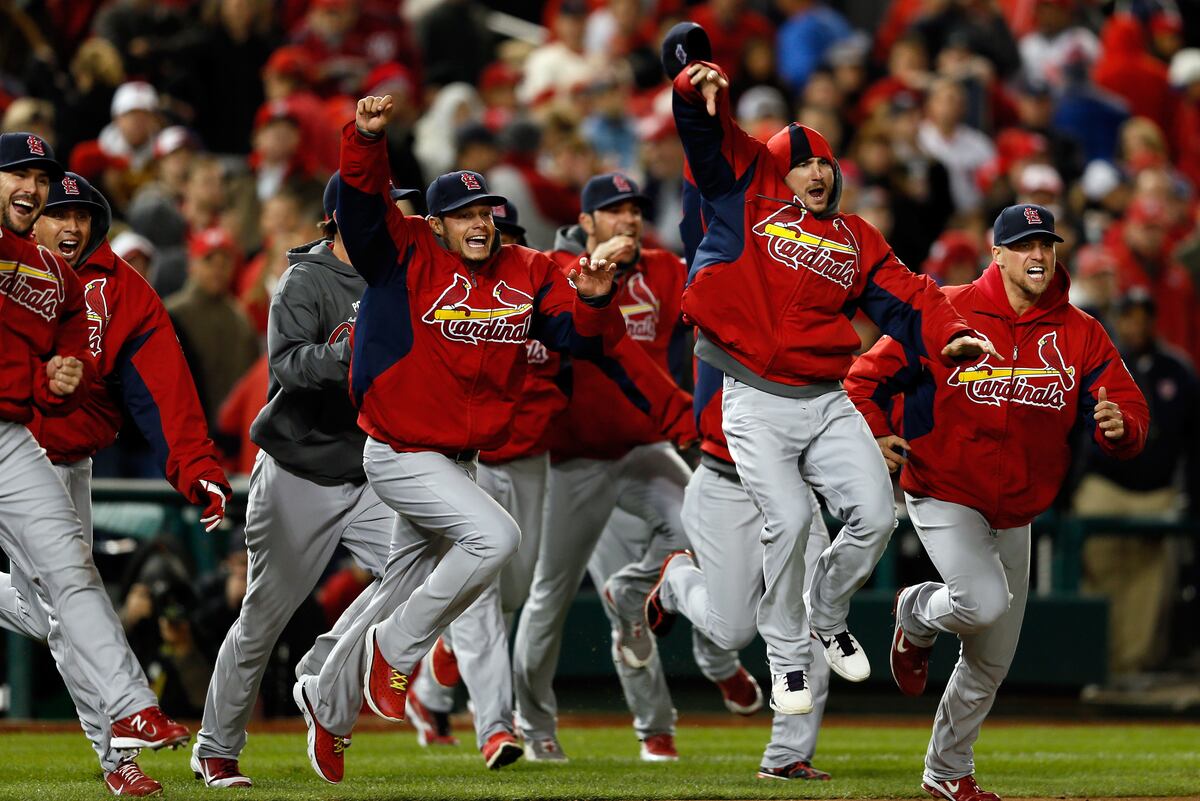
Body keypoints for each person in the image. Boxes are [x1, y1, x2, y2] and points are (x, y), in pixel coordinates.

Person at [292, 95, 689, 783]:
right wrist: (365, 138)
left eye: (487, 214)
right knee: (495, 539)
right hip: (396, 449)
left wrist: (594, 297)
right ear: (437, 223)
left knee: (400, 584)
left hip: (460, 459)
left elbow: (576, 336)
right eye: (464, 215)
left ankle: (327, 706)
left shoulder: (527, 270)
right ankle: (399, 653)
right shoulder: (404, 252)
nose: (479, 224)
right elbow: (360, 204)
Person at [669, 38, 996, 715]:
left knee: (876, 515)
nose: (815, 172)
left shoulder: (856, 238)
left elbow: (912, 295)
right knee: (787, 520)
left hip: (824, 399)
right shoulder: (745, 198)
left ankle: (826, 610)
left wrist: (952, 335)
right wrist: (693, 92)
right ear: (776, 171)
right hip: (755, 397)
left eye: (824, 161)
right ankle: (787, 660)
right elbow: (707, 138)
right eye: (801, 163)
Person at [845, 203, 1148, 801]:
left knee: (993, 658)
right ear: (999, 253)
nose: (1039, 255)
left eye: (1047, 244)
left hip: (1019, 508)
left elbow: (1130, 410)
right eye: (1025, 244)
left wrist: (1120, 428)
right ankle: (913, 612)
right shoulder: (946, 310)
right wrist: (876, 434)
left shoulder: (1080, 331)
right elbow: (861, 380)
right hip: (944, 490)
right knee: (981, 603)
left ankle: (946, 771)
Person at [514, 172, 755, 762]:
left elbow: (712, 297)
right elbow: (565, 320)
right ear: (587, 219)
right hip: (575, 462)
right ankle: (534, 722)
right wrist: (594, 269)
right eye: (613, 210)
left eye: (634, 210)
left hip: (645, 447)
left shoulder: (663, 270)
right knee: (550, 593)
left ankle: (688, 683)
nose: (627, 219)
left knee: (699, 533)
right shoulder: (551, 265)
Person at [0, 132, 189, 798]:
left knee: (69, 580)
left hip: (16, 438)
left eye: (39, 179)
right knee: (54, 601)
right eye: (16, 175)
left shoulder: (50, 274)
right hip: (21, 426)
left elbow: (77, 330)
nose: (31, 187)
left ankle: (130, 715)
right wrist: (38, 369)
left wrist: (68, 366)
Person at [192, 175, 397, 787]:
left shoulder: (400, 276)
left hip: (371, 471)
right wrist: (352, 357)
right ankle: (216, 745)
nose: (386, 219)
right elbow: (288, 363)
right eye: (372, 210)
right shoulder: (303, 280)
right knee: (263, 617)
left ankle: (323, 669)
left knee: (424, 573)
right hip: (299, 472)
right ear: (338, 219)